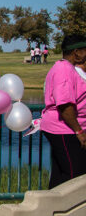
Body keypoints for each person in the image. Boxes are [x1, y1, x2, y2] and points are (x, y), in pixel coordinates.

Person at [42, 33, 86, 188]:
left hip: (66, 129)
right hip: (64, 130)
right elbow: (65, 105)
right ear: (77, 52)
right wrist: (79, 132)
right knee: (74, 177)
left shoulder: (68, 69)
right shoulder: (64, 70)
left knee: (61, 175)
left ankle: (52, 209)